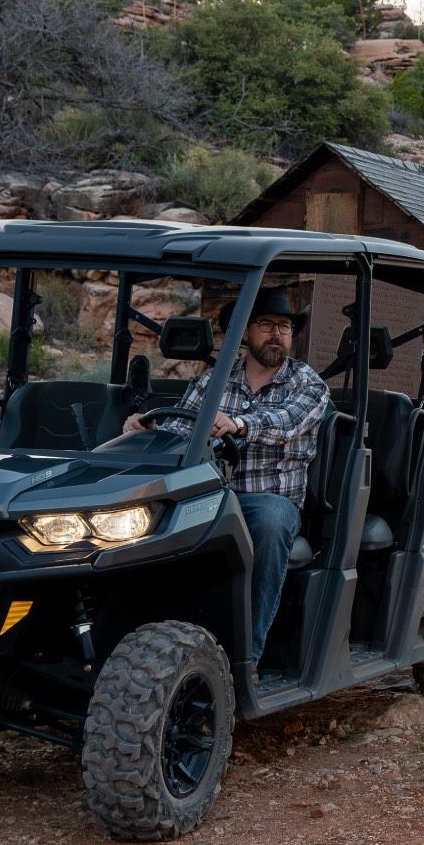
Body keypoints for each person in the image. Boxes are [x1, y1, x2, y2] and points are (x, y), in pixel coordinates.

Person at [122, 286, 330, 670]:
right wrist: (143, 430)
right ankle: (143, 644)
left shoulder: (308, 384)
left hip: (266, 500)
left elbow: (286, 424)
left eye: (284, 326)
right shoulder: (214, 381)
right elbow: (178, 431)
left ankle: (244, 659)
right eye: (266, 324)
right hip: (209, 494)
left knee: (271, 522)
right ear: (246, 333)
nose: (276, 333)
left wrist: (239, 424)